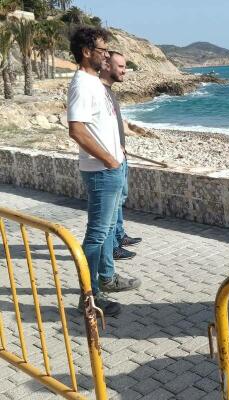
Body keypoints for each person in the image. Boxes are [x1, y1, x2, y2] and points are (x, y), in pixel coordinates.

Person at [67, 27, 141, 317]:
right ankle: (88, 298)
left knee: (109, 231)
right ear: (87, 52)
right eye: (102, 50)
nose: (106, 54)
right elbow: (77, 129)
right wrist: (110, 160)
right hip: (101, 171)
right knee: (97, 235)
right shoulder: (82, 85)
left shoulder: (95, 84)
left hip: (111, 166)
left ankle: (108, 278)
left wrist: (118, 155)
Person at [99, 50, 143, 261]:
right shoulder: (98, 90)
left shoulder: (108, 91)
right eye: (121, 67)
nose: (125, 71)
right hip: (111, 159)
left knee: (121, 198)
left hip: (119, 154)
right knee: (112, 205)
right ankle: (113, 248)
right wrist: (111, 154)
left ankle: (119, 235)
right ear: (107, 66)